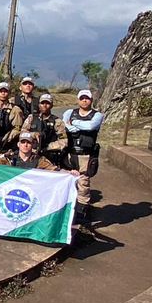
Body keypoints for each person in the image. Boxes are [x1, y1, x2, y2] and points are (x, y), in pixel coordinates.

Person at [64, 89, 105, 226]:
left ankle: (82, 213)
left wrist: (74, 124)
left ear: (91, 100)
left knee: (83, 184)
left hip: (86, 155)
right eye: (82, 98)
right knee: (68, 181)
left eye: (87, 98)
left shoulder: (97, 115)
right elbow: (65, 122)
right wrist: (71, 125)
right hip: (70, 153)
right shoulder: (70, 112)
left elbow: (91, 126)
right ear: (78, 100)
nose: (84, 100)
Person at [31, 93, 70, 170]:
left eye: (47, 103)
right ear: (39, 104)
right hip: (32, 154)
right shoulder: (31, 118)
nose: (45, 105)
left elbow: (64, 141)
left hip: (49, 157)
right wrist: (33, 135)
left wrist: (48, 147)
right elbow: (22, 134)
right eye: (42, 103)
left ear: (51, 105)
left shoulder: (57, 121)